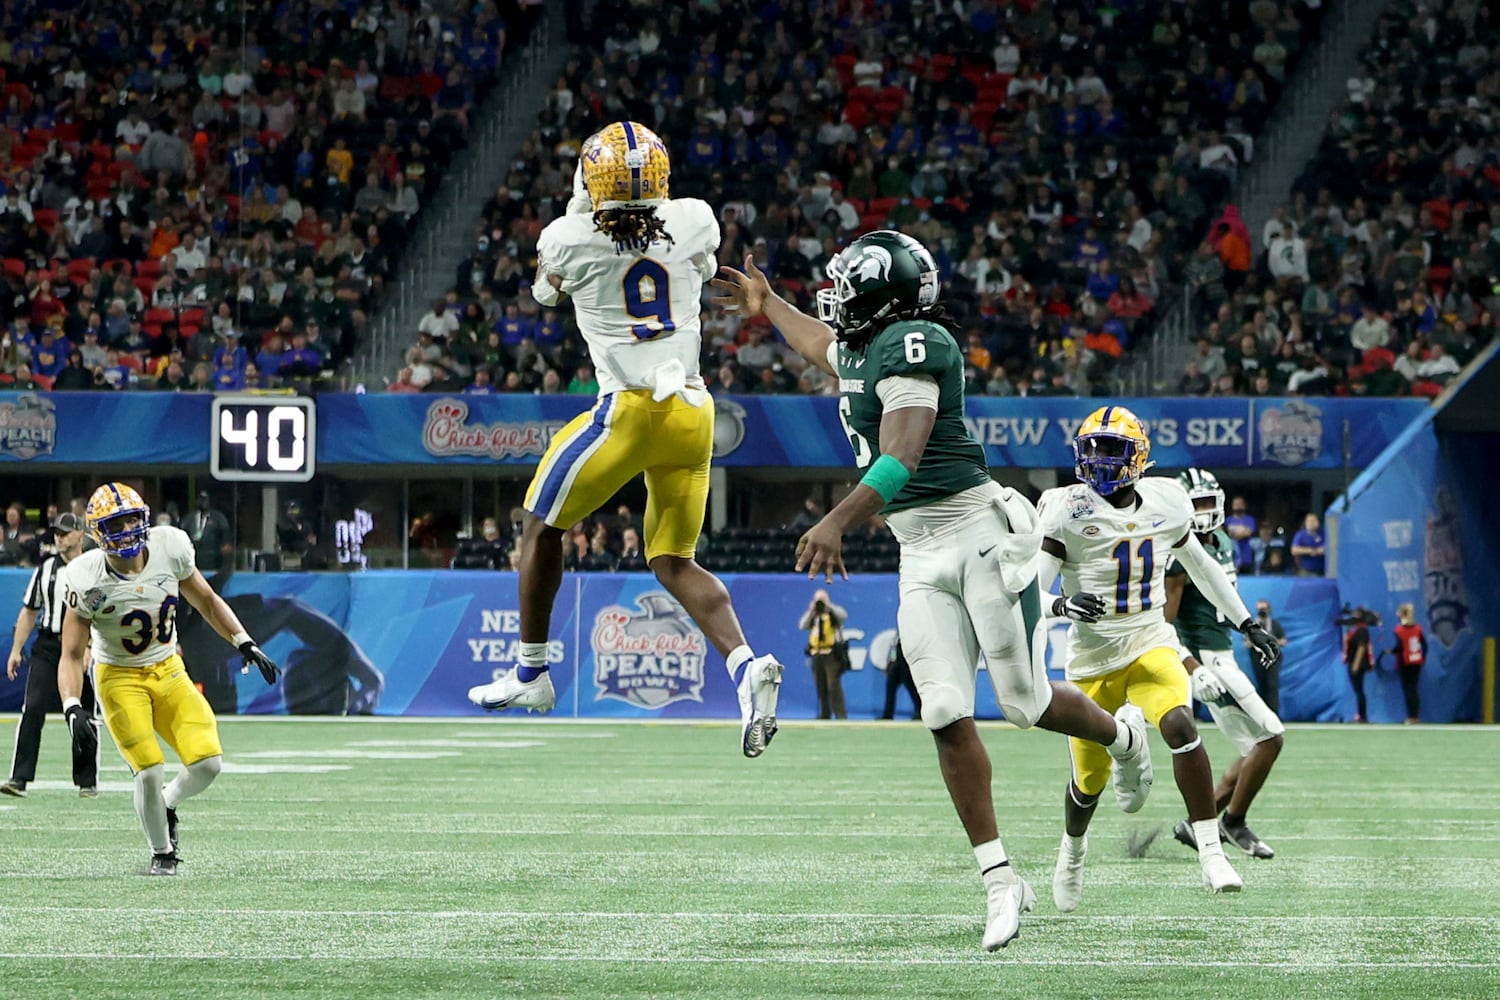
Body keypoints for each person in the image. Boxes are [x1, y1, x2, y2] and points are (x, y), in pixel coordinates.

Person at [712, 230, 1154, 951]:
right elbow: (822, 345)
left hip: (981, 534)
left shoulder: (916, 343)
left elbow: (903, 455)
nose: (841, 296)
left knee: (1024, 704)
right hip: (917, 551)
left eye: (853, 285)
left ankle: (1124, 734)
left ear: (885, 298)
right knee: (943, 709)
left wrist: (835, 520)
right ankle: (1000, 878)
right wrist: (769, 305)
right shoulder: (864, 343)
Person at [466, 122, 784, 759]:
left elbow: (543, 291)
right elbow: (689, 262)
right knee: (672, 561)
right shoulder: (695, 218)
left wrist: (580, 210)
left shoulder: (567, 237)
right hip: (693, 413)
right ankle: (746, 666)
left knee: (539, 525)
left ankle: (531, 673)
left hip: (628, 411)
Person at [1036, 407, 1283, 909]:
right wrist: (1060, 604)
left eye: (1111, 449)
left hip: (1149, 640)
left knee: (1180, 727)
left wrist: (1247, 623)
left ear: (1138, 456)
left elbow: (1204, 568)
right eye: (1093, 448)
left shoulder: (1167, 502)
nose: (1100, 459)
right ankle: (1073, 850)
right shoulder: (1064, 509)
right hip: (1091, 658)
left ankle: (1211, 851)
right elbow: (1030, 590)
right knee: (1088, 783)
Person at [56, 484, 282, 875]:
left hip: (167, 668)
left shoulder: (170, 548)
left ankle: (168, 803)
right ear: (98, 532)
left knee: (208, 762)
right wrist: (73, 707)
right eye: (116, 523)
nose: (127, 529)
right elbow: (72, 653)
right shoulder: (86, 577)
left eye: (131, 519)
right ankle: (162, 852)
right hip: (119, 677)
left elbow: (207, 600)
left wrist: (243, 642)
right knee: (147, 768)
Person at [1164, 469, 1285, 861]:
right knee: (1270, 738)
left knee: (1255, 746)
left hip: (1226, 655)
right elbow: (1162, 626)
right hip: (1208, 662)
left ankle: (1199, 821)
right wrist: (1191, 668)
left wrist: (1252, 631)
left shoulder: (1223, 543)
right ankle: (1232, 821)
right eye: (1194, 505)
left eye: (1206, 503)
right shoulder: (1180, 555)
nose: (1201, 513)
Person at [1, 514, 98, 798]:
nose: (59, 537)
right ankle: (19, 778)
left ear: (80, 534)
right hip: (48, 645)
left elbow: (99, 611)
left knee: (83, 712)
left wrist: (90, 646)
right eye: (57, 532)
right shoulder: (45, 569)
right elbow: (30, 610)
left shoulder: (93, 568)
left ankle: (86, 781)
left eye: (66, 532)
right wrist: (16, 649)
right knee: (32, 707)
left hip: (80, 644)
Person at [799, 590, 848, 720]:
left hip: (831, 653)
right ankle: (824, 714)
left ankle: (840, 715)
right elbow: (802, 625)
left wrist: (828, 606)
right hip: (816, 653)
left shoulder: (833, 614)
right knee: (820, 685)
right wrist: (811, 611)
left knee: (833, 685)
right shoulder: (814, 616)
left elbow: (843, 616)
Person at [1250, 599, 1287, 712]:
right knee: (1261, 684)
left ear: (1269, 610)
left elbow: (1283, 641)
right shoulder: (1253, 625)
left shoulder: (1274, 624)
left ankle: (1274, 712)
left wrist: (1271, 642)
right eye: (1260, 609)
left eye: (1264, 609)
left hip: (1273, 657)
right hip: (1257, 657)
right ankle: (1263, 713)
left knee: (1272, 684)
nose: (1262, 611)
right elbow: (1247, 642)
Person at [1391, 603, 1426, 723]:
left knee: (1408, 690)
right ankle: (1415, 716)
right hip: (1416, 661)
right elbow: (1424, 646)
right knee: (1414, 689)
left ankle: (1411, 717)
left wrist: (1391, 651)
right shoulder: (1418, 628)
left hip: (1405, 663)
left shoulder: (1399, 630)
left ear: (1402, 614)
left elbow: (1400, 647)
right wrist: (1422, 659)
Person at [186, 491, 233, 572]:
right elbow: (183, 532)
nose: (203, 503)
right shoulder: (189, 518)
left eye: (205, 500)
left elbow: (225, 534)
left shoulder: (218, 518)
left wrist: (226, 543)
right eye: (201, 500)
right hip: (193, 556)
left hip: (213, 557)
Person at [1343, 608, 1375, 722]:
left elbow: (1362, 647)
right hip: (1352, 662)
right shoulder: (1355, 631)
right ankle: (1360, 714)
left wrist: (1356, 665)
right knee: (1357, 690)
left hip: (1358, 665)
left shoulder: (1362, 630)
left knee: (1359, 690)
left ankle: (1362, 715)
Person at [881, 635, 922, 721]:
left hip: (906, 665)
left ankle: (920, 712)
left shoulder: (912, 633)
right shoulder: (897, 636)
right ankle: (888, 714)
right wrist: (889, 664)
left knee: (912, 689)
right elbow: (892, 650)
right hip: (896, 664)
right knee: (890, 688)